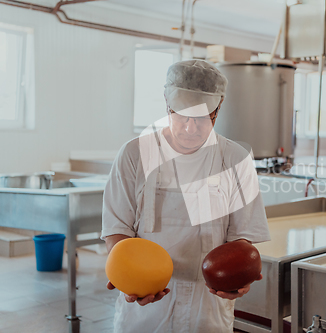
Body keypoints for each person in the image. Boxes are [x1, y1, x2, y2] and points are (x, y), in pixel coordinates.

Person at [101, 59, 270, 333]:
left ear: (219, 107)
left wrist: (238, 278)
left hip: (207, 307)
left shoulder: (236, 159)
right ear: (166, 103)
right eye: (181, 115)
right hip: (145, 307)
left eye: (204, 118)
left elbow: (241, 239)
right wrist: (129, 277)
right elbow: (116, 229)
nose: (191, 128)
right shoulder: (134, 154)